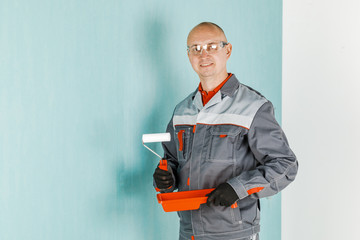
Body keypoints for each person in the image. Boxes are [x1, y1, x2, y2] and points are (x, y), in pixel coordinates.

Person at [153, 22, 298, 240]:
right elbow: (172, 159)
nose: (203, 55)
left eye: (212, 46)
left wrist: (237, 188)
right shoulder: (182, 110)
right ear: (189, 55)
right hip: (189, 232)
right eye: (196, 48)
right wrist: (166, 177)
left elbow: (285, 165)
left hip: (234, 233)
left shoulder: (253, 106)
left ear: (227, 50)